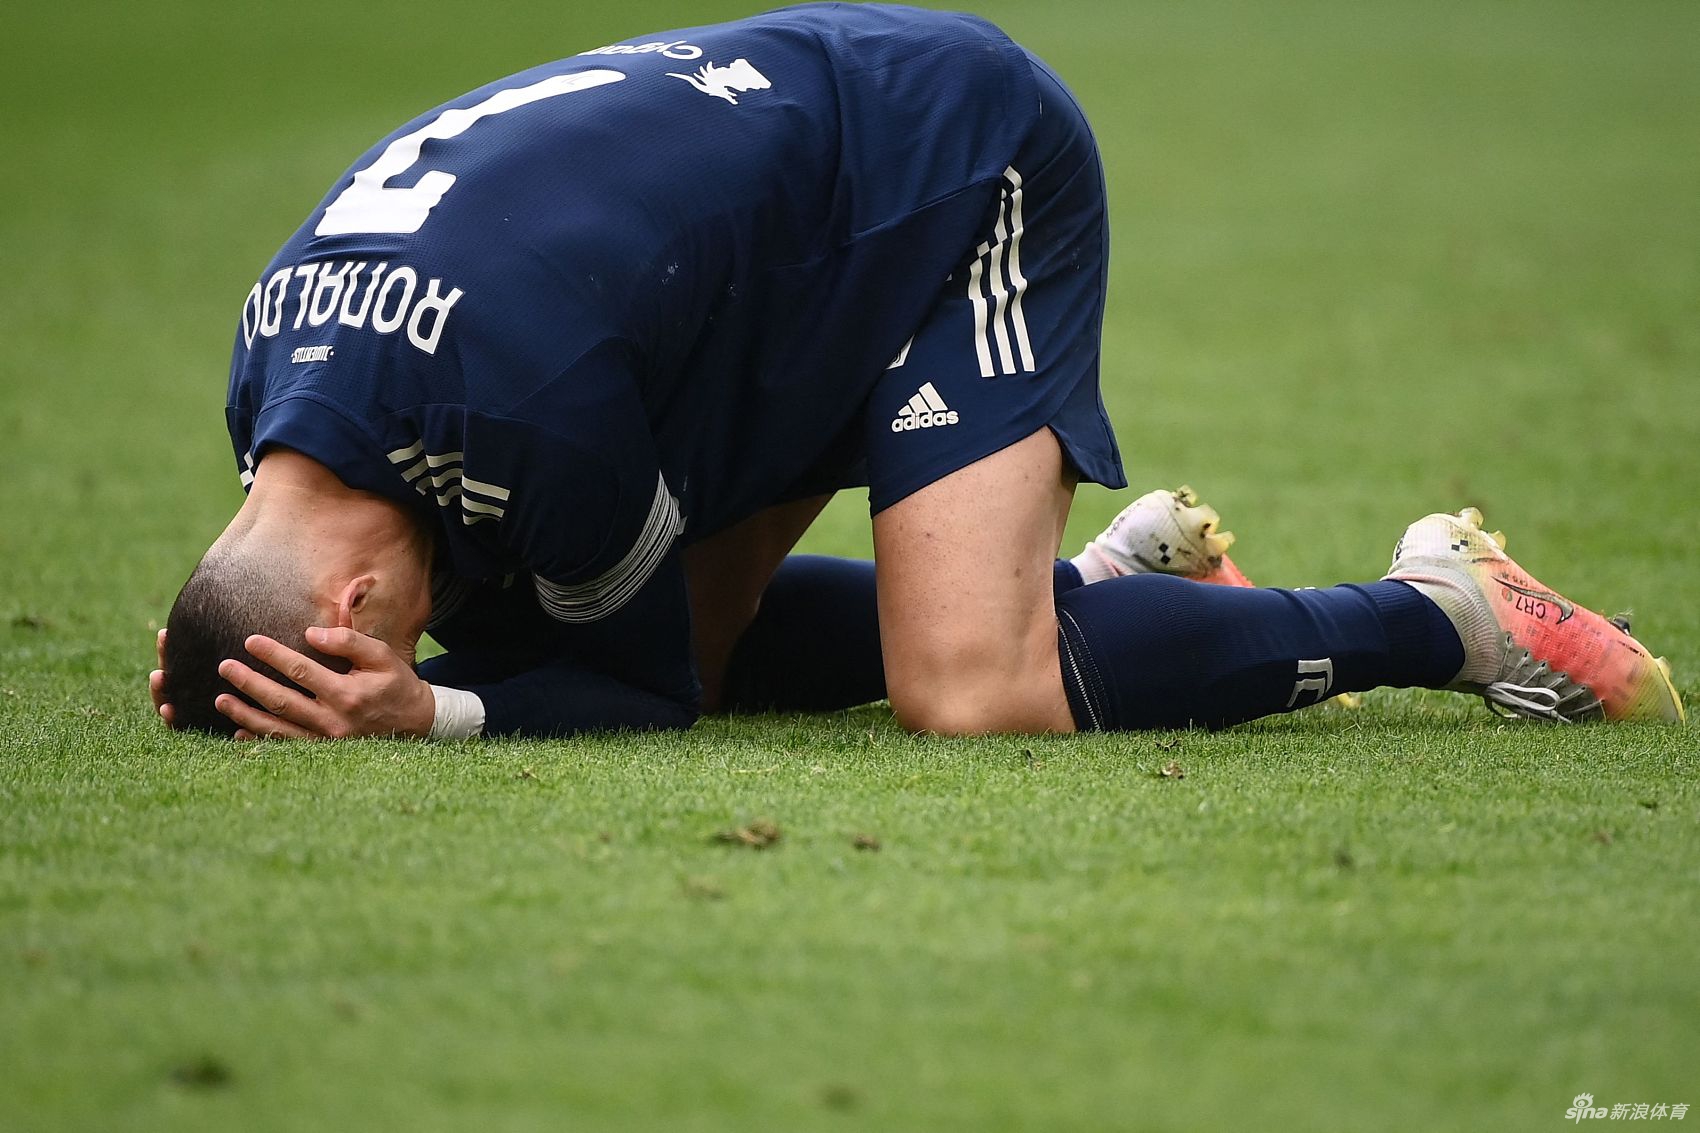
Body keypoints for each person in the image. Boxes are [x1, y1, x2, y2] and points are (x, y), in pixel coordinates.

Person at [151, 4, 1683, 739]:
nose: (393, 651)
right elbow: (636, 649)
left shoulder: (522, 409)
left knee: (971, 689)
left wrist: (431, 713)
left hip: (944, 174)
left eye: (362, 646)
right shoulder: (273, 370)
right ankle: (1091, 588)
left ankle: (1442, 612)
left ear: (348, 600)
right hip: (746, 271)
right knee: (622, 625)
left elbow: (636, 688)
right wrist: (238, 660)